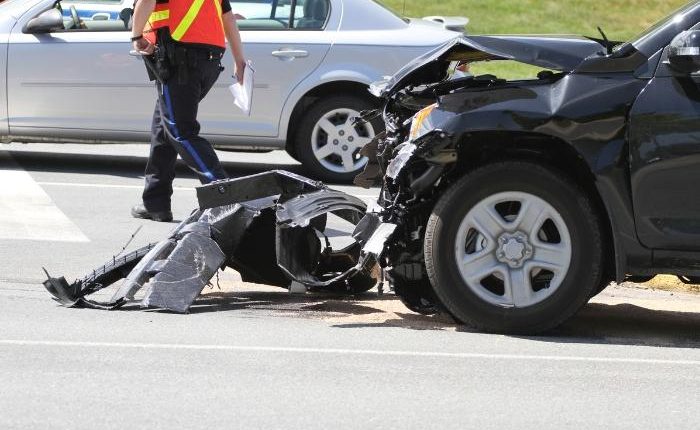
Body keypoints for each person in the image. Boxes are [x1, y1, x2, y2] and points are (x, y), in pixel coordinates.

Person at [129, 0, 246, 222]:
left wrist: (136, 37)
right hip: (209, 60)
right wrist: (239, 60)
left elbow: (147, 1)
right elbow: (228, 18)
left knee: (181, 131)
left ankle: (225, 198)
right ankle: (156, 203)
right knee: (163, 128)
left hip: (180, 58)